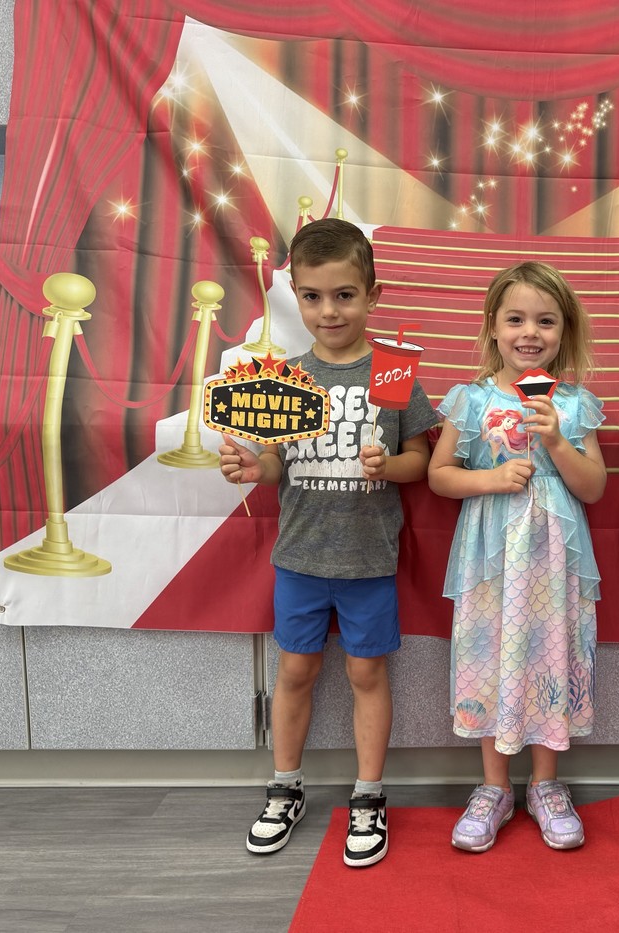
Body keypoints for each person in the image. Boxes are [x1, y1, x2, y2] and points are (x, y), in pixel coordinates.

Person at [218, 218, 435, 867]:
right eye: (312, 296)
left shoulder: (393, 371)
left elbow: (421, 458)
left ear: (373, 294)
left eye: (344, 294)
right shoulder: (283, 375)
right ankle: (285, 785)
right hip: (301, 559)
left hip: (369, 560)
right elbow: (276, 463)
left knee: (367, 672)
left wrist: (388, 465)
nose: (328, 309)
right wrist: (255, 467)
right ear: (295, 296)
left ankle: (369, 794)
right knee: (295, 670)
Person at [429, 261, 606, 853]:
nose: (530, 332)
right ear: (494, 327)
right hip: (489, 554)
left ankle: (547, 786)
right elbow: (439, 476)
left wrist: (556, 438)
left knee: (549, 649)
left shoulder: (575, 403)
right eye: (516, 319)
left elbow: (594, 488)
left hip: (554, 557)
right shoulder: (470, 398)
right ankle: (494, 785)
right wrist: (492, 478)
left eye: (546, 321)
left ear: (564, 331)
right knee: (489, 650)